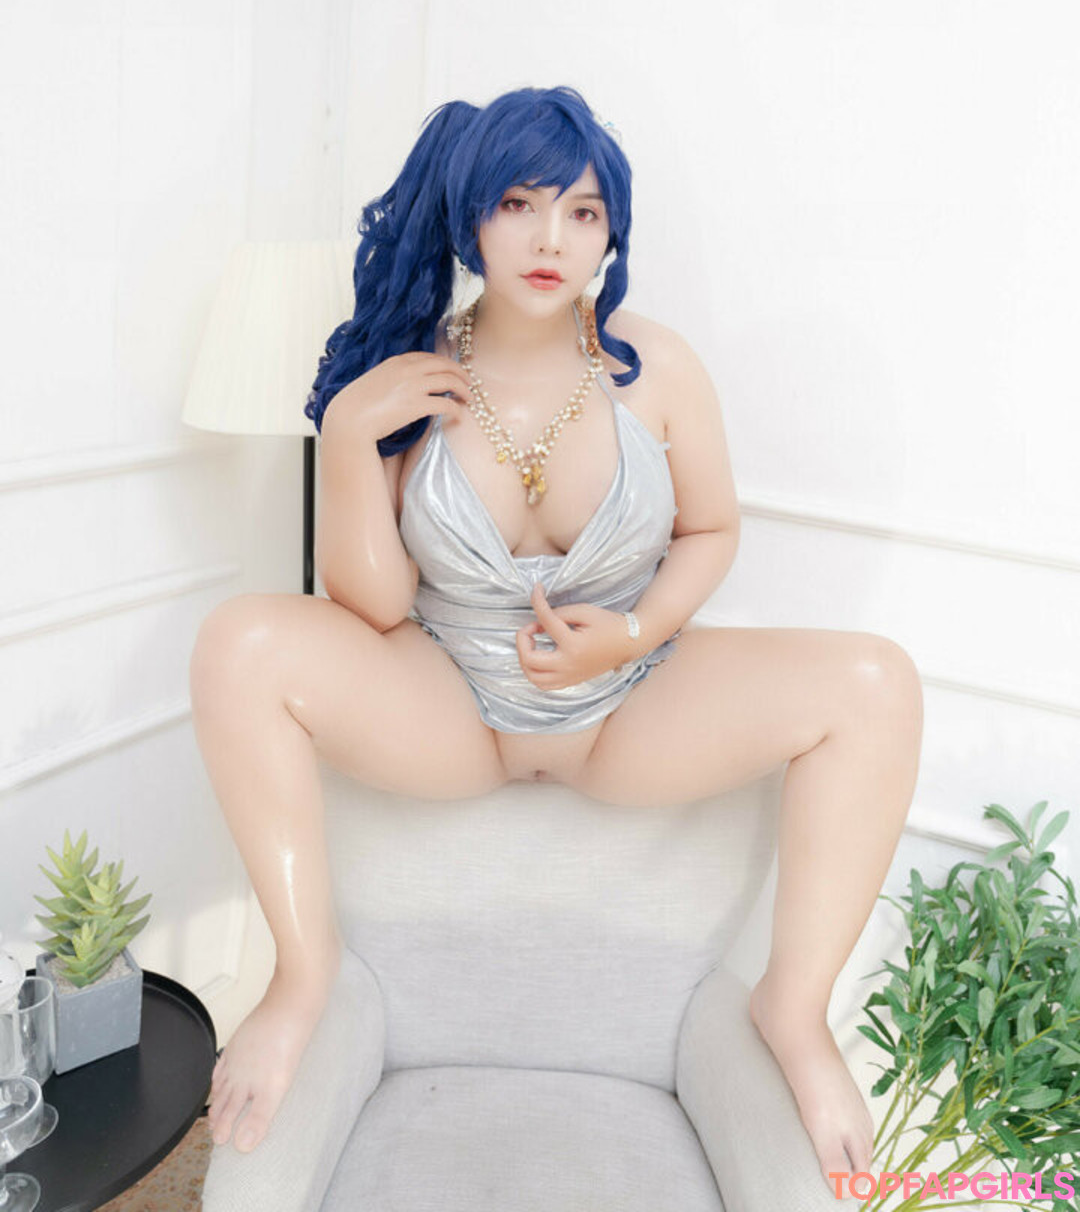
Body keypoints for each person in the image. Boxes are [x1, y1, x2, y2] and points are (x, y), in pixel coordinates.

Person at [190, 85, 923, 1197]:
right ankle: (302, 977)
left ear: (610, 230)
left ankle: (794, 1007)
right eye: (520, 204)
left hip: (629, 702)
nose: (550, 240)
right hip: (447, 700)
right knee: (239, 641)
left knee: (875, 684)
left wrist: (629, 633)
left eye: (582, 212)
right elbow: (374, 607)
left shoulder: (657, 369)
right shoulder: (411, 370)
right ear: (470, 216)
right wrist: (346, 435)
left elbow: (713, 530)